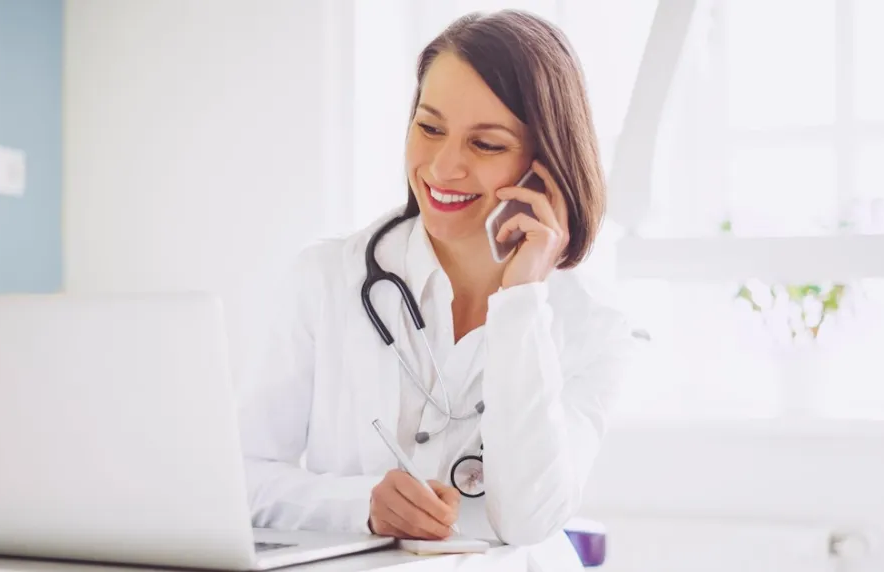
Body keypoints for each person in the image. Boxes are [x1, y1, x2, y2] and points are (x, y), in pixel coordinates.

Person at [238, 9, 637, 570]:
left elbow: (528, 517)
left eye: (487, 144)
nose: (444, 166)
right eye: (429, 128)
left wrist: (521, 301)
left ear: (544, 162)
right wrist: (361, 504)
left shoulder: (595, 326)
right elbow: (240, 480)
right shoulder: (326, 280)